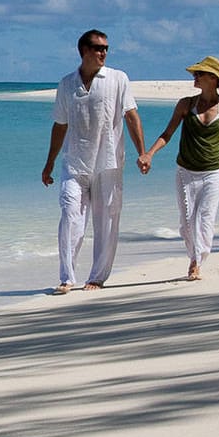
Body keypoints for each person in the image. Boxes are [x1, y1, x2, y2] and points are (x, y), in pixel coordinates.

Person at [41, 29, 148, 294]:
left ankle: (98, 277)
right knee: (69, 214)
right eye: (98, 48)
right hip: (74, 163)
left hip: (108, 162)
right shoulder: (67, 84)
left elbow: (131, 116)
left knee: (107, 220)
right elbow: (60, 124)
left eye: (106, 48)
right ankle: (67, 277)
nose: (103, 53)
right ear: (84, 50)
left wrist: (142, 152)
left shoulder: (117, 79)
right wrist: (50, 162)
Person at [137, 56, 219, 281]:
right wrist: (149, 154)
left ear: (213, 79)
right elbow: (168, 134)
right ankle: (194, 254)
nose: (194, 77)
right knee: (186, 222)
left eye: (199, 74)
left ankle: (196, 262)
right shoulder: (185, 104)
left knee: (205, 217)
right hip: (185, 171)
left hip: (214, 172)